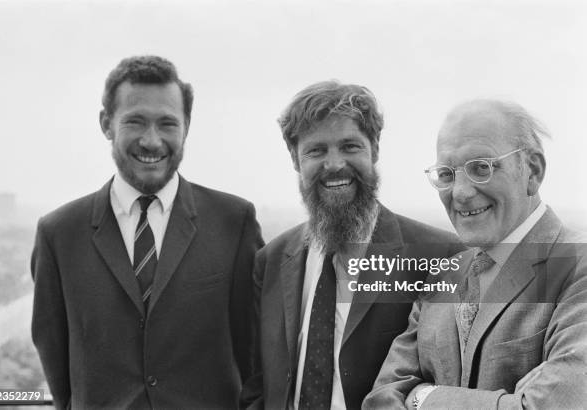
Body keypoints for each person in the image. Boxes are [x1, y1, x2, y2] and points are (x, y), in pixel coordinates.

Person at [31, 55, 263, 409]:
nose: (152, 141)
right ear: (106, 124)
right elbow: (57, 368)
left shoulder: (235, 222)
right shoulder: (58, 235)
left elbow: (254, 354)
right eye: (135, 122)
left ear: (187, 125)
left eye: (167, 123)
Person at [240, 81, 463, 410]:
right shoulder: (271, 260)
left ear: (374, 148)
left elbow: (446, 382)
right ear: (295, 158)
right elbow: (259, 381)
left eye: (349, 146)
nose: (334, 164)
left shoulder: (439, 256)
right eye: (316, 150)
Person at [363, 99, 587, 409]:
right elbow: (381, 399)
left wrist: (422, 397)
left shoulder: (577, 268)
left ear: (533, 171)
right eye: (446, 174)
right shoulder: (444, 274)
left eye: (481, 168)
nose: (461, 193)